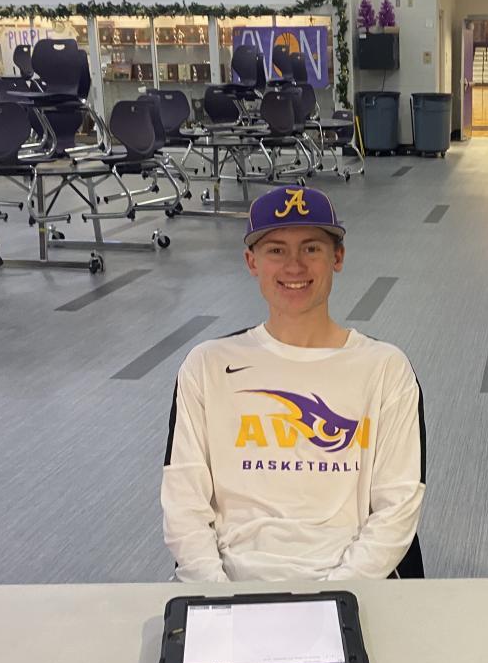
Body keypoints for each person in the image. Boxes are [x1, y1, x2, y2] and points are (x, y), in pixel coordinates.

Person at [162, 185, 426, 582]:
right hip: (228, 585)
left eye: (311, 248)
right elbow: (184, 502)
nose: (294, 266)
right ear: (251, 262)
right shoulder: (207, 365)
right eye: (276, 250)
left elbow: (397, 507)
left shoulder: (385, 368)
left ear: (338, 257)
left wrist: (332, 598)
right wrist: (220, 596)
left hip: (349, 586)